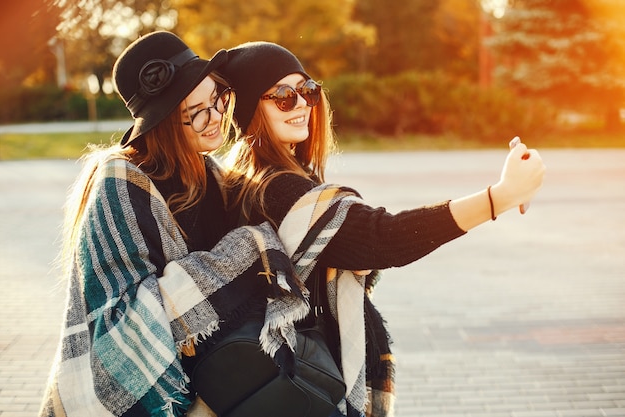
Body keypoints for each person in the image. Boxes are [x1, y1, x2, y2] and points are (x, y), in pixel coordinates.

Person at [220, 41, 546, 417]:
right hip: (301, 384)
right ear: (248, 110)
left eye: (308, 91)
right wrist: (498, 197)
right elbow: (383, 238)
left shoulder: (275, 178)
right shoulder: (276, 187)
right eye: (282, 96)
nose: (301, 105)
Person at [38, 32, 308, 417]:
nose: (215, 117)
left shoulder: (210, 175)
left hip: (212, 383)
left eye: (217, 97)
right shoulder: (118, 185)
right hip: (137, 393)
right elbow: (128, 324)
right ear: (163, 122)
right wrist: (248, 248)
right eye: (196, 110)